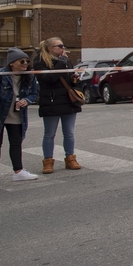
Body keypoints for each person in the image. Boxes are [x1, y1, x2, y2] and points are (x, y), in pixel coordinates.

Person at [32, 37, 82, 174]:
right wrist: (61, 63)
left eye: (63, 46)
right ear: (50, 48)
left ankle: (70, 158)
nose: (62, 48)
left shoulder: (65, 60)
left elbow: (70, 81)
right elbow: (49, 79)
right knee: (49, 134)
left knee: (69, 132)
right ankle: (48, 161)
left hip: (67, 100)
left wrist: (75, 78)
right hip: (51, 101)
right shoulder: (40, 61)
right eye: (59, 46)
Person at [0, 48, 39, 181]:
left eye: (27, 61)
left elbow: (34, 93)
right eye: (21, 61)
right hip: (1, 114)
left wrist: (27, 100)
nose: (25, 63)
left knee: (16, 143)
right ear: (12, 63)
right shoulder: (0, 75)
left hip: (17, 116)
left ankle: (18, 171)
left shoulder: (29, 76)